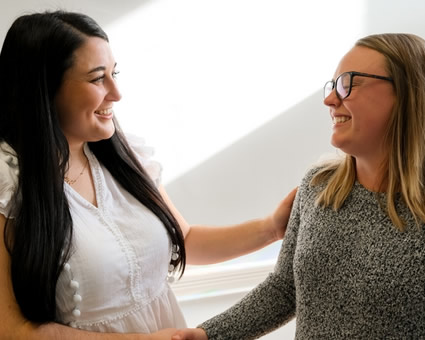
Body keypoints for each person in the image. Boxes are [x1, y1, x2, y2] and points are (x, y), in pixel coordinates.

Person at [0, 10, 297, 340]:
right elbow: (12, 330)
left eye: (115, 73)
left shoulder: (125, 158)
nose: (116, 92)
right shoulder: (8, 182)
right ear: (43, 90)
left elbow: (186, 239)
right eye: (98, 78)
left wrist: (271, 228)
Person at [171, 33, 425, 340]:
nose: (330, 99)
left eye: (348, 83)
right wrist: (208, 334)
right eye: (332, 86)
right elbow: (284, 289)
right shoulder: (319, 187)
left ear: (409, 92)